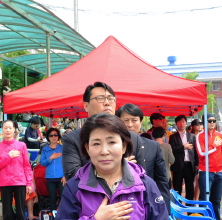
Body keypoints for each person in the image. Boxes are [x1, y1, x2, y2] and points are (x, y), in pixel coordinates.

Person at [62, 83, 171, 211]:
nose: (107, 103)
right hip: (91, 210)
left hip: (131, 211)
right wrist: (117, 166)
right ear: (86, 105)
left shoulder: (132, 137)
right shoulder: (72, 138)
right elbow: (72, 175)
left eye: (111, 99)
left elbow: (141, 177)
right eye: (101, 99)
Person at [116, 103, 173, 190]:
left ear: (141, 122)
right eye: (125, 120)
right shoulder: (111, 147)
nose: (130, 125)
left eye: (134, 120)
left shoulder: (153, 146)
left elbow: (161, 180)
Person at [196, 114, 222, 220]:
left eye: (213, 120)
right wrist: (214, 146)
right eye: (209, 121)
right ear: (204, 123)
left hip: (219, 171)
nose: (212, 123)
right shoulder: (200, 136)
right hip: (205, 172)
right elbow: (201, 153)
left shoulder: (220, 135)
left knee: (216, 200)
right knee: (205, 199)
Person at [169, 115, 198, 201]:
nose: (181, 124)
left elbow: (196, 151)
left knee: (190, 188)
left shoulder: (192, 136)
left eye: (183, 122)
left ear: (186, 123)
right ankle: (178, 209)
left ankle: (190, 211)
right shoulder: (173, 137)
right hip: (178, 165)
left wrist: (197, 163)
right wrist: (183, 147)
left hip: (189, 165)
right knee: (177, 188)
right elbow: (172, 150)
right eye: (179, 122)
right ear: (176, 124)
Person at [39, 127, 65, 210]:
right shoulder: (45, 149)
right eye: (51, 135)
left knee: (64, 197)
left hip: (62, 177)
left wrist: (65, 175)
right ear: (48, 137)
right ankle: (53, 217)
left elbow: (67, 163)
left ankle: (64, 217)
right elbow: (42, 163)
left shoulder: (63, 148)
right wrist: (51, 158)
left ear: (58, 136)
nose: (54, 137)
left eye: (55, 135)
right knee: (52, 198)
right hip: (50, 177)